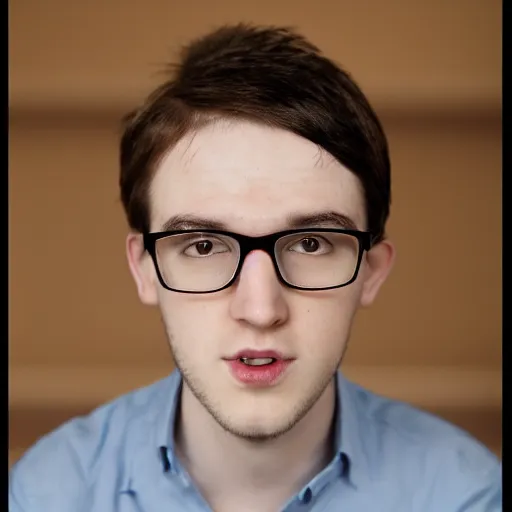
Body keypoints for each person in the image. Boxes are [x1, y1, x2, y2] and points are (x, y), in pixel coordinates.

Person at [9, 23, 501, 512]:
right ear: (145, 269)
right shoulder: (49, 493)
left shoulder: (466, 495)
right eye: (203, 246)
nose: (261, 310)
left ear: (371, 270)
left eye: (310, 243)